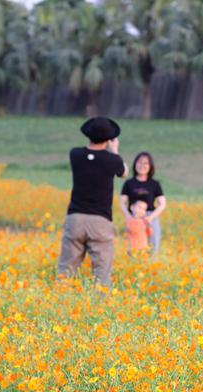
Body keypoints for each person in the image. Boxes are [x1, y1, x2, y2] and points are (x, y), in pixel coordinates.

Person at [58, 116, 128, 288]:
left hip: (75, 218)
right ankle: (99, 308)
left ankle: (61, 301)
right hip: (100, 221)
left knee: (66, 271)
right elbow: (124, 172)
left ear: (88, 134)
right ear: (108, 139)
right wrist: (115, 151)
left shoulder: (75, 154)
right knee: (102, 273)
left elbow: (91, 157)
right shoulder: (112, 160)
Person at [120, 152, 166, 253]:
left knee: (153, 247)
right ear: (135, 164)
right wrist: (128, 216)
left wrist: (151, 217)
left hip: (149, 218)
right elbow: (122, 202)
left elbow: (162, 204)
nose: (142, 166)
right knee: (132, 248)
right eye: (139, 163)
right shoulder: (129, 183)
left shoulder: (155, 184)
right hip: (134, 218)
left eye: (146, 163)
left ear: (150, 166)